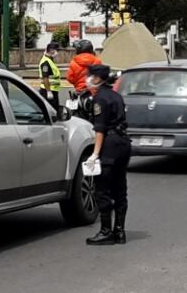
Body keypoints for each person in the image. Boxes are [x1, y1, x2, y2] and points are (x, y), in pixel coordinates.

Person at [83, 64, 131, 246]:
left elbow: (100, 130)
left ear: (97, 79)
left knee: (102, 189)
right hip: (123, 143)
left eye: (89, 76)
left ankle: (105, 232)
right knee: (120, 189)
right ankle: (120, 231)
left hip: (109, 146)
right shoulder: (116, 96)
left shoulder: (99, 100)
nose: (87, 79)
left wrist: (94, 154)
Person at [38, 43, 62, 109]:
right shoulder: (45, 62)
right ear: (52, 50)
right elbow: (45, 78)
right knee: (52, 111)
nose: (58, 53)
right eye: (57, 50)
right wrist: (49, 92)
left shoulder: (49, 59)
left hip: (53, 89)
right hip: (48, 90)